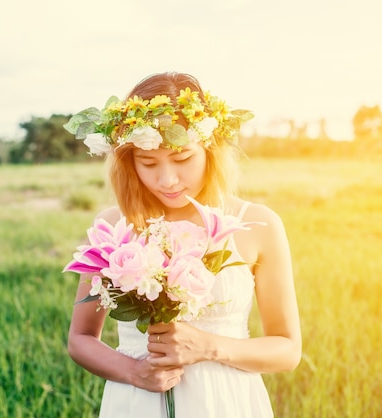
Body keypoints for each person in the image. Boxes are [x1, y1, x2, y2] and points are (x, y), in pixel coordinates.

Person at [66, 72, 301, 417]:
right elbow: (81, 338)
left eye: (182, 159)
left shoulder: (258, 224)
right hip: (138, 402)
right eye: (148, 163)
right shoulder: (113, 226)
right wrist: (134, 372)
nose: (167, 180)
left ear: (210, 150)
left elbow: (287, 349)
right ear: (129, 163)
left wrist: (209, 347)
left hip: (226, 401)